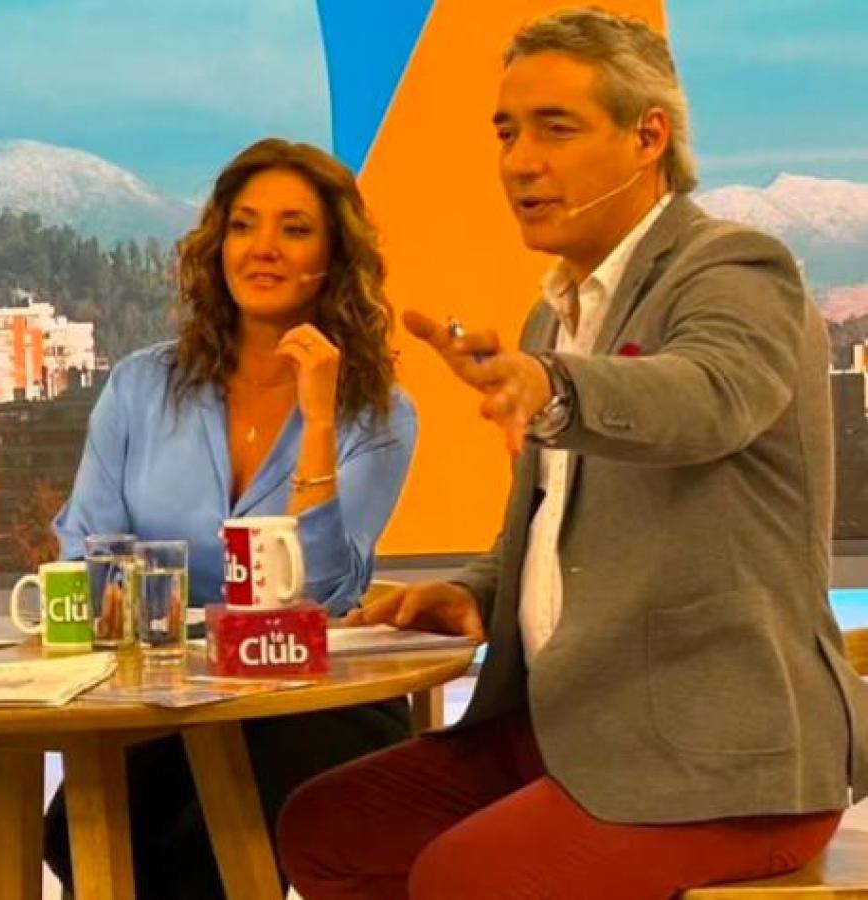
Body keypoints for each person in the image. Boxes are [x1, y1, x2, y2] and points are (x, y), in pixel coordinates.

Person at [277, 8, 868, 899]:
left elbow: (705, 396)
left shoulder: (736, 269)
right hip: (572, 725)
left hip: (719, 756)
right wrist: (475, 592)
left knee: (462, 880)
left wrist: (551, 388)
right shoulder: (550, 315)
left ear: (647, 137)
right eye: (506, 132)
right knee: (325, 829)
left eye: (555, 128)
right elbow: (568, 525)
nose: (519, 161)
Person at [47, 137, 419, 898]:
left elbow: (323, 595)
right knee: (75, 832)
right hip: (166, 699)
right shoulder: (140, 387)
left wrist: (319, 421)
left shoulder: (377, 412)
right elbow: (87, 554)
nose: (262, 248)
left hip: (311, 702)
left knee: (210, 836)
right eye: (244, 225)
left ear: (334, 257)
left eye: (294, 228)